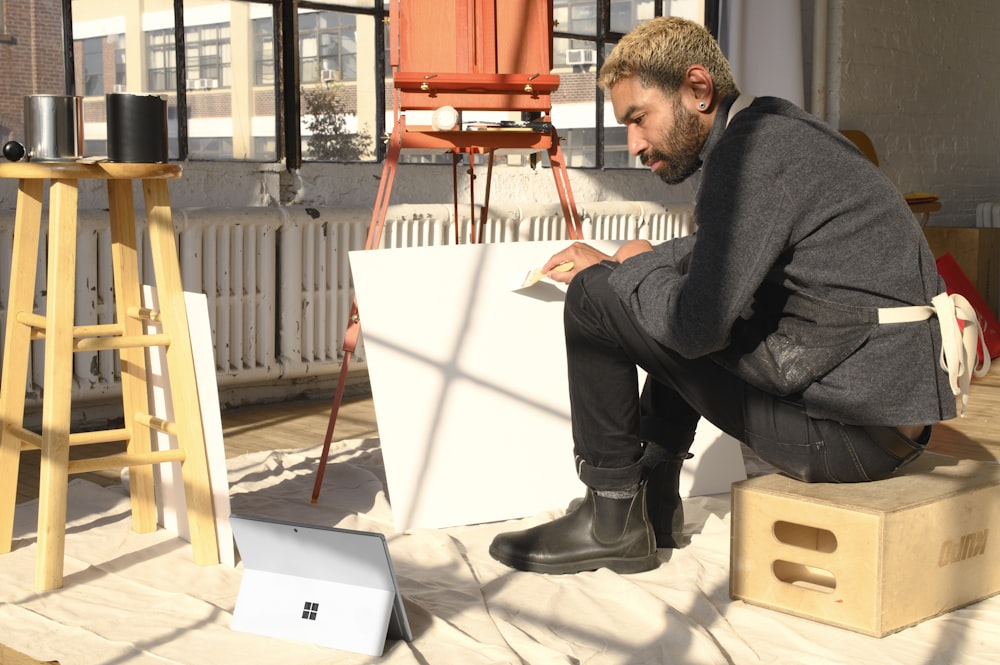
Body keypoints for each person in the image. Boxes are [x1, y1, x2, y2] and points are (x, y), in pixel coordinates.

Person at [488, 16, 985, 575]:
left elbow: (693, 328)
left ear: (698, 90)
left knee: (594, 297)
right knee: (649, 285)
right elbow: (716, 250)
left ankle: (610, 519)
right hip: (885, 428)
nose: (633, 144)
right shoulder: (771, 131)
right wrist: (636, 261)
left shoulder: (747, 157)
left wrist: (623, 271)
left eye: (639, 118)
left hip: (847, 437)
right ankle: (654, 500)